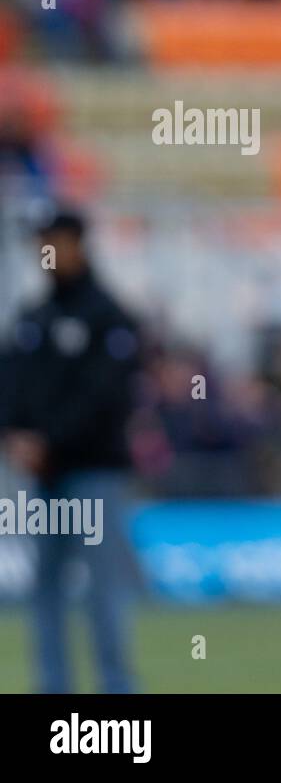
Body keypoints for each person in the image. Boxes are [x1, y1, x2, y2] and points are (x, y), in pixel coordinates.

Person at [0, 207, 141, 692]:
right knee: (44, 595)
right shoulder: (33, 319)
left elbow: (106, 398)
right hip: (44, 479)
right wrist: (13, 436)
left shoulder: (108, 317)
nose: (44, 252)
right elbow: (10, 387)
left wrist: (47, 440)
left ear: (77, 243)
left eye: (52, 240)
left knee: (102, 595)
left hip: (93, 473)